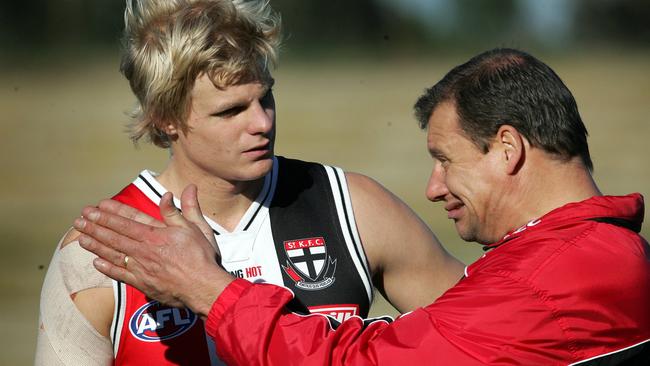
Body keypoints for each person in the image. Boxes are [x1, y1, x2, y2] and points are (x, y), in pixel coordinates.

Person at [76, 48, 650, 365]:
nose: (432, 187)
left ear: (507, 148)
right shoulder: (599, 252)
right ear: (167, 121)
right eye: (232, 109)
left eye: (445, 160)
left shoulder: (545, 280)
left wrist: (208, 290)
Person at [35, 0, 464, 365]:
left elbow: (482, 339)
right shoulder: (98, 253)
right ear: (165, 119)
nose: (262, 123)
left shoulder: (353, 207)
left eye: (266, 98)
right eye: (230, 111)